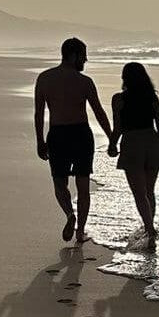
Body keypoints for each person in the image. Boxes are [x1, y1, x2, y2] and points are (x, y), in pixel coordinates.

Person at [34, 38, 113, 244]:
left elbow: (38, 113)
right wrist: (112, 137)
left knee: (60, 184)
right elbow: (99, 112)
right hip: (80, 135)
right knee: (83, 185)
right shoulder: (84, 82)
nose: (85, 60)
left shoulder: (44, 78)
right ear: (73, 55)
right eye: (83, 55)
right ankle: (80, 232)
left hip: (57, 135)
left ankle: (70, 214)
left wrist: (40, 141)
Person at [107, 61, 159, 247]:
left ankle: (149, 231)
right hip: (152, 142)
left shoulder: (118, 99)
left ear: (125, 78)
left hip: (132, 144)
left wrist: (112, 144)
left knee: (139, 193)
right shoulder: (152, 97)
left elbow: (117, 127)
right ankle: (149, 228)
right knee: (149, 191)